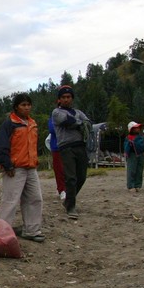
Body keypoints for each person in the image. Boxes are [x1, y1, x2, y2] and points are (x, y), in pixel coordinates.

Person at [0, 93, 44, 242]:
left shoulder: (32, 123)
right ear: (16, 107)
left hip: (31, 167)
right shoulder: (9, 124)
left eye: (28, 105)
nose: (27, 107)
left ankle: (32, 230)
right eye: (23, 105)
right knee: (10, 201)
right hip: (15, 168)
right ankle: (3, 234)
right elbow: (2, 145)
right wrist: (7, 164)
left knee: (35, 198)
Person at [50, 85, 91, 219]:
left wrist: (80, 124)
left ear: (72, 98)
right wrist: (80, 124)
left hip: (80, 146)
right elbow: (67, 121)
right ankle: (71, 206)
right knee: (71, 177)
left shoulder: (78, 111)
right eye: (63, 97)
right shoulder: (56, 112)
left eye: (68, 97)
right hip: (66, 147)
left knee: (81, 176)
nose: (66, 99)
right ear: (59, 99)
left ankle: (68, 200)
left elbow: (88, 123)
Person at [47, 101, 66, 201]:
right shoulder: (53, 117)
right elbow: (52, 129)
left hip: (68, 146)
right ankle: (61, 189)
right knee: (59, 170)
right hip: (57, 147)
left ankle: (67, 188)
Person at [124, 121, 144, 192]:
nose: (138, 129)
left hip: (140, 155)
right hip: (132, 155)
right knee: (131, 170)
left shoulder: (140, 138)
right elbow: (126, 147)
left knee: (139, 170)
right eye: (136, 128)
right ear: (131, 129)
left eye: (138, 128)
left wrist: (134, 143)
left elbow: (142, 146)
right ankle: (131, 185)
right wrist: (129, 144)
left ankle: (137, 185)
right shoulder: (128, 138)